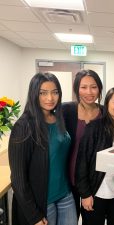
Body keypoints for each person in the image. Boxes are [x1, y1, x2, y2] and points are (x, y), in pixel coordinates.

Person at [8, 72, 77, 225]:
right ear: (34, 94)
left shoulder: (59, 118)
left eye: (55, 92)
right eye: (43, 93)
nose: (50, 98)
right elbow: (18, 179)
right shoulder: (24, 126)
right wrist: (34, 216)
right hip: (42, 200)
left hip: (65, 194)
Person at [75, 87, 114, 225]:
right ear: (107, 103)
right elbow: (81, 163)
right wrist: (85, 194)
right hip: (96, 193)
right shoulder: (94, 128)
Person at [62, 69, 104, 219]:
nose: (89, 92)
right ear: (76, 89)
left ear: (99, 89)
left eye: (94, 87)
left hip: (94, 182)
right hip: (68, 181)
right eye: (83, 87)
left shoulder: (105, 114)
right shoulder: (66, 110)